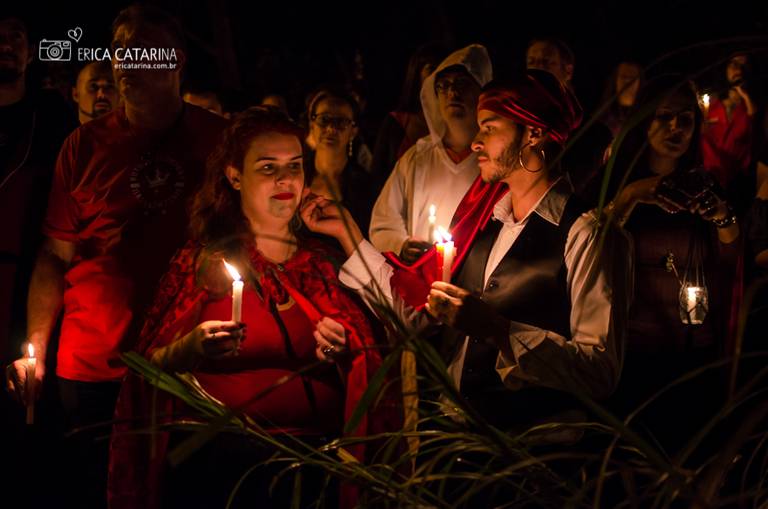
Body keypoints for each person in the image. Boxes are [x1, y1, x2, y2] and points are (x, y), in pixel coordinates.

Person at [304, 69, 632, 435]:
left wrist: (499, 330)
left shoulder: (588, 233)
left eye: (490, 128)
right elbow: (413, 318)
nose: (476, 142)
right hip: (460, 443)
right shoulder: (484, 223)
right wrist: (347, 231)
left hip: (536, 455)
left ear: (534, 132)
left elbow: (599, 370)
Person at [108, 107, 388, 509]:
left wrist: (344, 353)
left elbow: (375, 362)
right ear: (234, 175)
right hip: (222, 466)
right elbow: (146, 369)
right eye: (267, 167)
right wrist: (191, 347)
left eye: (294, 166)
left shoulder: (321, 264)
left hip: (312, 464)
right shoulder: (202, 262)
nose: (285, 179)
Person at [5, 5, 227, 508]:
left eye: (141, 49)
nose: (125, 61)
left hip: (191, 357)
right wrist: (34, 350)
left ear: (176, 59)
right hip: (94, 365)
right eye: (119, 49)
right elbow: (55, 255)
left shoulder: (218, 140)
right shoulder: (83, 145)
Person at [601, 77, 741, 437]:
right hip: (631, 349)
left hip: (692, 350)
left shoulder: (703, 183)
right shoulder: (617, 180)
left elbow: (729, 262)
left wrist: (723, 217)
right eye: (664, 117)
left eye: (686, 119)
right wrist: (633, 195)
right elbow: (593, 243)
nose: (676, 128)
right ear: (644, 120)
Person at [370, 44, 492, 263]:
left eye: (462, 84)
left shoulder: (494, 160)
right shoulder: (417, 158)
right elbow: (383, 222)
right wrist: (402, 244)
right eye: (443, 86)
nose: (452, 93)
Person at [370, 42, 446, 190]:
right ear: (416, 74)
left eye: (443, 69)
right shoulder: (395, 124)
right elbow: (377, 177)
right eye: (431, 69)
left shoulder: (454, 125)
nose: (437, 76)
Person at [304, 86, 375, 233]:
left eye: (341, 122)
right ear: (312, 124)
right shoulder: (296, 175)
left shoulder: (367, 187)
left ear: (353, 131)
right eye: (324, 119)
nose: (330, 128)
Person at [700, 52, 757, 213]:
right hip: (709, 180)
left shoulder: (750, 108)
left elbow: (754, 130)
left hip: (739, 183)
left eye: (744, 65)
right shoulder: (712, 105)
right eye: (734, 63)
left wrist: (744, 95)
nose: (738, 69)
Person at [598, 60, 643, 138]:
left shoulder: (644, 118)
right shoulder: (601, 118)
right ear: (615, 80)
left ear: (640, 82)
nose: (628, 82)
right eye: (624, 77)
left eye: (632, 78)